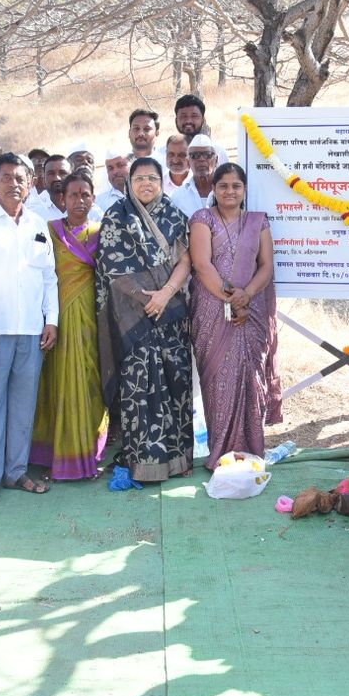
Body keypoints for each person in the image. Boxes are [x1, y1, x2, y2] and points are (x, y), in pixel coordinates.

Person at [0, 154, 58, 502]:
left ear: (30, 183)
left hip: (32, 329)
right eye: (6, 177)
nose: (13, 184)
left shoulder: (38, 223)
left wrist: (52, 320)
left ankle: (16, 471)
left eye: (20, 178)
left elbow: (48, 277)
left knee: (23, 404)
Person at [96, 157, 194, 483]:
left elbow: (185, 260)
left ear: (162, 182)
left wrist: (165, 294)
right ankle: (145, 463)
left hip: (170, 315)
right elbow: (113, 268)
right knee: (139, 389)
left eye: (152, 178)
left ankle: (179, 460)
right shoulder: (117, 215)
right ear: (129, 182)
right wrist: (146, 299)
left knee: (176, 383)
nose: (146, 184)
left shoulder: (174, 214)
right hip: (133, 319)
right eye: (139, 178)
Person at [188, 162, 280, 467]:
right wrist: (232, 299)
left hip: (251, 310)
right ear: (214, 189)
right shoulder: (202, 219)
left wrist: (247, 296)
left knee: (251, 378)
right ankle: (220, 453)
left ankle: (252, 450)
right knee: (218, 382)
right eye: (223, 186)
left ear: (245, 190)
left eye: (236, 186)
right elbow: (202, 265)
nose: (230, 191)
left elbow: (266, 265)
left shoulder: (258, 222)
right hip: (212, 310)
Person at [30, 171, 107, 480]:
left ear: (93, 198)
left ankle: (88, 453)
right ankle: (55, 454)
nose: (79, 200)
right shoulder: (50, 231)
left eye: (85, 194)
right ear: (62, 199)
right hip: (57, 317)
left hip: (91, 318)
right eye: (73, 195)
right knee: (58, 380)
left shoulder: (102, 232)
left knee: (89, 380)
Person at [171, 134, 219, 217]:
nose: (201, 159)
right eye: (195, 155)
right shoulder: (178, 196)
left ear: (216, 160)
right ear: (188, 162)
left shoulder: (227, 191)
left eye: (208, 155)